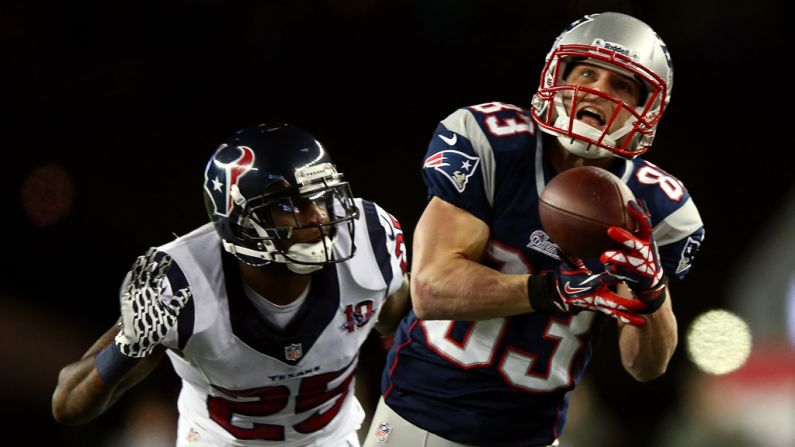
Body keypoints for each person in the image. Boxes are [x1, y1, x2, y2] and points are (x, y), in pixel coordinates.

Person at [364, 12, 705, 447]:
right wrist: (555, 290)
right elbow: (431, 291)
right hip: (420, 417)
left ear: (647, 108)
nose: (599, 92)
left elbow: (645, 366)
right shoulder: (495, 144)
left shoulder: (656, 206)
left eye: (622, 84)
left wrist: (652, 292)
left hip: (533, 435)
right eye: (587, 72)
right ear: (556, 72)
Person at [52, 123, 410, 447]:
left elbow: (398, 329)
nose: (317, 216)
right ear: (237, 220)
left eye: (321, 197)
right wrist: (127, 345)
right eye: (290, 204)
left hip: (333, 439)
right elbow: (68, 406)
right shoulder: (182, 282)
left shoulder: (369, 241)